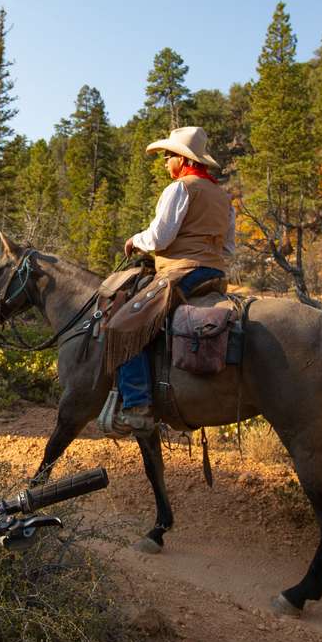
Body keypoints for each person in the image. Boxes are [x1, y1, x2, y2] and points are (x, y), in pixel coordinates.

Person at [115, 126, 235, 433]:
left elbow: (160, 237)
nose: (166, 162)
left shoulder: (180, 189)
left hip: (182, 273)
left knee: (125, 324)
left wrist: (135, 240)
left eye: (169, 156)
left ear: (182, 159)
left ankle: (137, 405)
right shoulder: (223, 198)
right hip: (216, 276)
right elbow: (228, 247)